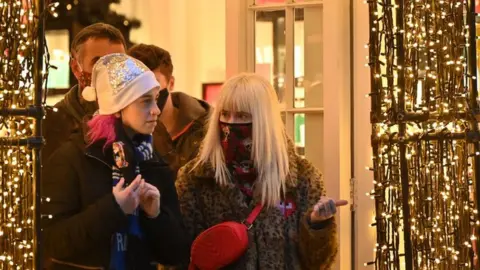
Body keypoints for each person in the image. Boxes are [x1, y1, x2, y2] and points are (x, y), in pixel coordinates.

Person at [175, 73, 346, 269]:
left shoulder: (301, 178)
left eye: (242, 116)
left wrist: (317, 225)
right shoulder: (196, 178)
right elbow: (179, 256)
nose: (230, 124)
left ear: (264, 121)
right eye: (225, 114)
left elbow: (319, 263)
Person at [42, 54, 190, 269]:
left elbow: (177, 253)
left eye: (156, 98)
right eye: (145, 101)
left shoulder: (153, 159)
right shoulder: (73, 158)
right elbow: (52, 242)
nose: (156, 109)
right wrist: (113, 209)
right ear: (118, 108)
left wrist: (156, 216)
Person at [43, 23, 126, 162]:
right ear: (76, 68)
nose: (110, 71)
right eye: (98, 62)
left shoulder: (140, 115)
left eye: (119, 63)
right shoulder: (53, 125)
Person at [128, 44, 210, 173]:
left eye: (153, 83)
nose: (145, 91)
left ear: (171, 83)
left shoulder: (206, 127)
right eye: (137, 84)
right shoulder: (123, 129)